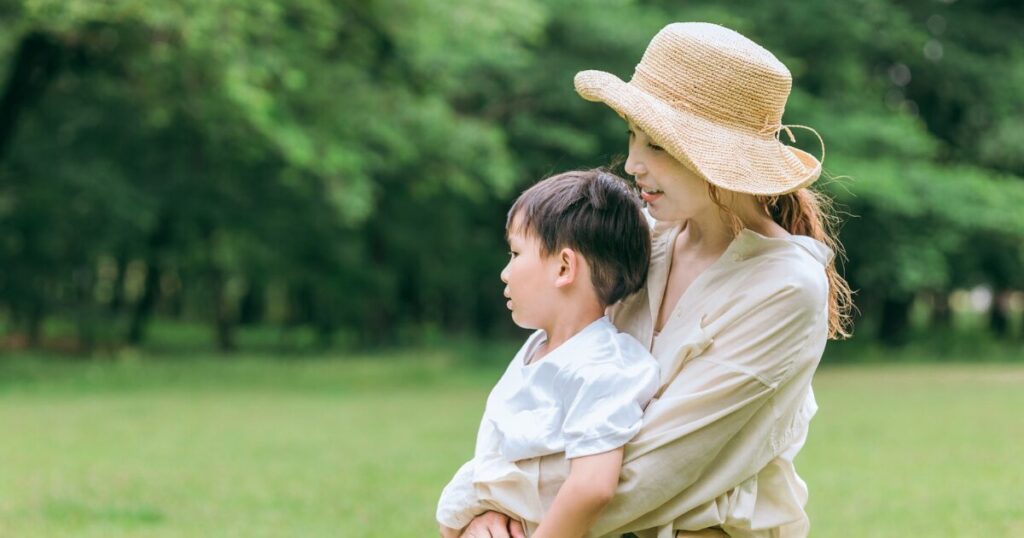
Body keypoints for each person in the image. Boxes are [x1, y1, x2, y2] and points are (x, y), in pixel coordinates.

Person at [457, 22, 854, 538]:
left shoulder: (784, 286)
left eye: (658, 145)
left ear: (717, 156)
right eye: (632, 135)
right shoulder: (642, 238)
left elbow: (654, 467)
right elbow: (541, 395)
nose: (632, 163)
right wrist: (481, 508)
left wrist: (489, 501)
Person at [437, 170, 662, 538]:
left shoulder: (602, 367)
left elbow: (592, 485)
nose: (505, 273)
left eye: (515, 253)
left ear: (564, 267)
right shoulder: (540, 348)